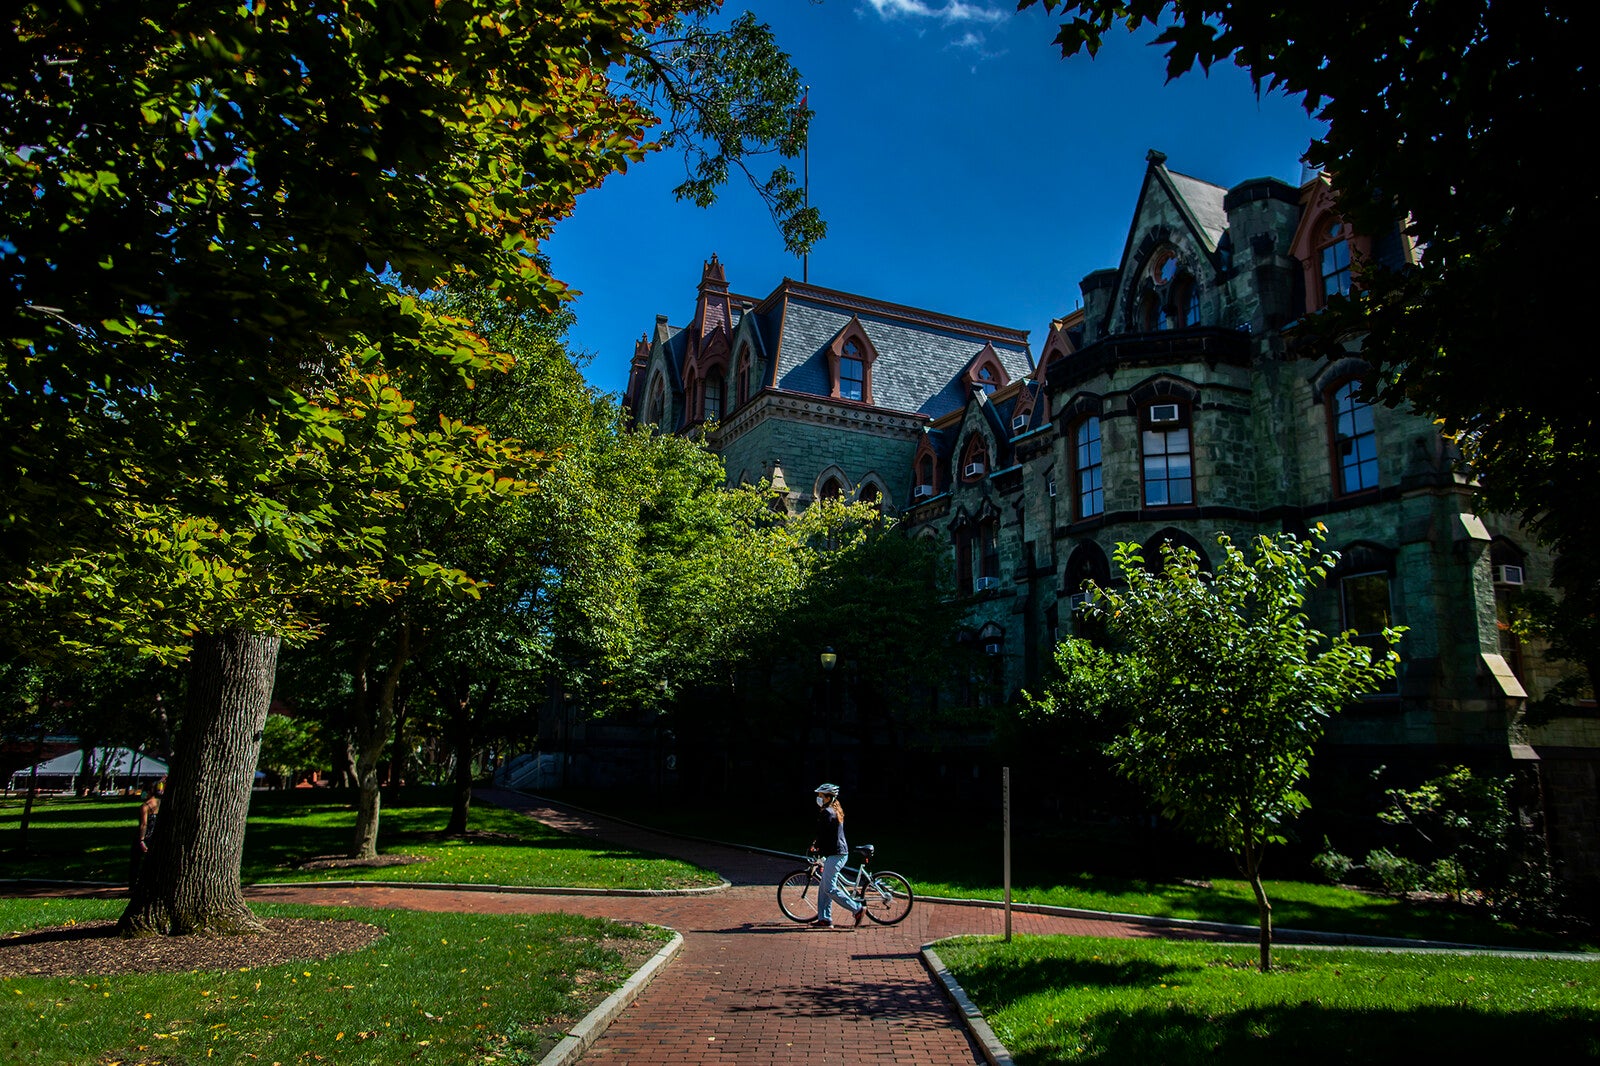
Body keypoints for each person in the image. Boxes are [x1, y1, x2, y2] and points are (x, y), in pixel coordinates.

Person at [808, 783, 864, 928]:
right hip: (837, 852)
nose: (818, 798)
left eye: (821, 796)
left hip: (836, 854)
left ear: (828, 797)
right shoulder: (834, 810)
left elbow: (823, 835)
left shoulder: (827, 813)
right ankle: (825, 919)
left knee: (829, 888)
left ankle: (857, 908)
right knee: (824, 886)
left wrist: (816, 847)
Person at [129, 782, 162, 891]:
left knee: (135, 862)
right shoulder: (159, 803)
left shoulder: (145, 806)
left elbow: (144, 824)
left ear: (148, 792)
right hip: (155, 836)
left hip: (145, 836)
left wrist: (141, 840)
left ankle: (133, 887)